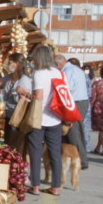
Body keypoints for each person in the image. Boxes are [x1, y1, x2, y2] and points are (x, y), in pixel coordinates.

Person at [26, 45, 64, 196]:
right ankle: (55, 186)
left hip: (39, 118)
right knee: (55, 152)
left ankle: (35, 186)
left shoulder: (38, 74)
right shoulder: (58, 73)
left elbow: (39, 98)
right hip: (56, 117)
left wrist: (26, 94)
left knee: (35, 152)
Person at [55, 54, 89, 169]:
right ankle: (72, 158)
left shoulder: (68, 71)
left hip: (76, 103)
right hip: (78, 102)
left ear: (58, 64)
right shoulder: (73, 69)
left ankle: (80, 160)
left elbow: (66, 89)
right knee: (72, 132)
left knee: (74, 133)